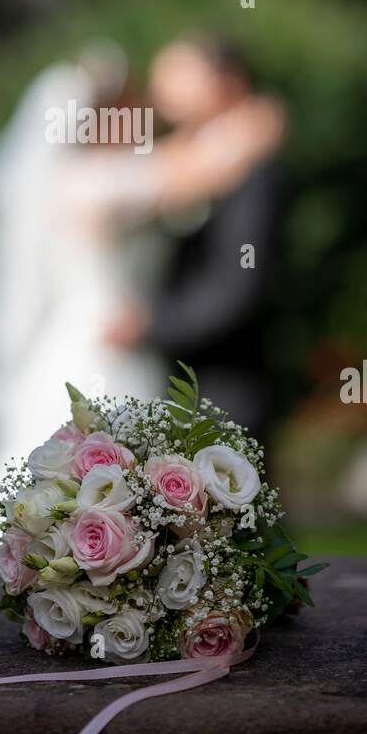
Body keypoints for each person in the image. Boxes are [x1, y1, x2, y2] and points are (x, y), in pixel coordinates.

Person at [0, 41, 283, 555]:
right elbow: (195, 170)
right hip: (98, 346)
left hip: (115, 342)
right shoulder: (91, 182)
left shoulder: (100, 175)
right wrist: (254, 121)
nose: (146, 117)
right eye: (133, 109)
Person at [105, 37, 286, 445]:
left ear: (227, 81)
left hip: (222, 379)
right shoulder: (207, 157)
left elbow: (237, 285)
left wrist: (153, 323)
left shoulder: (251, 173)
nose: (162, 85)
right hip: (151, 365)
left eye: (180, 72)